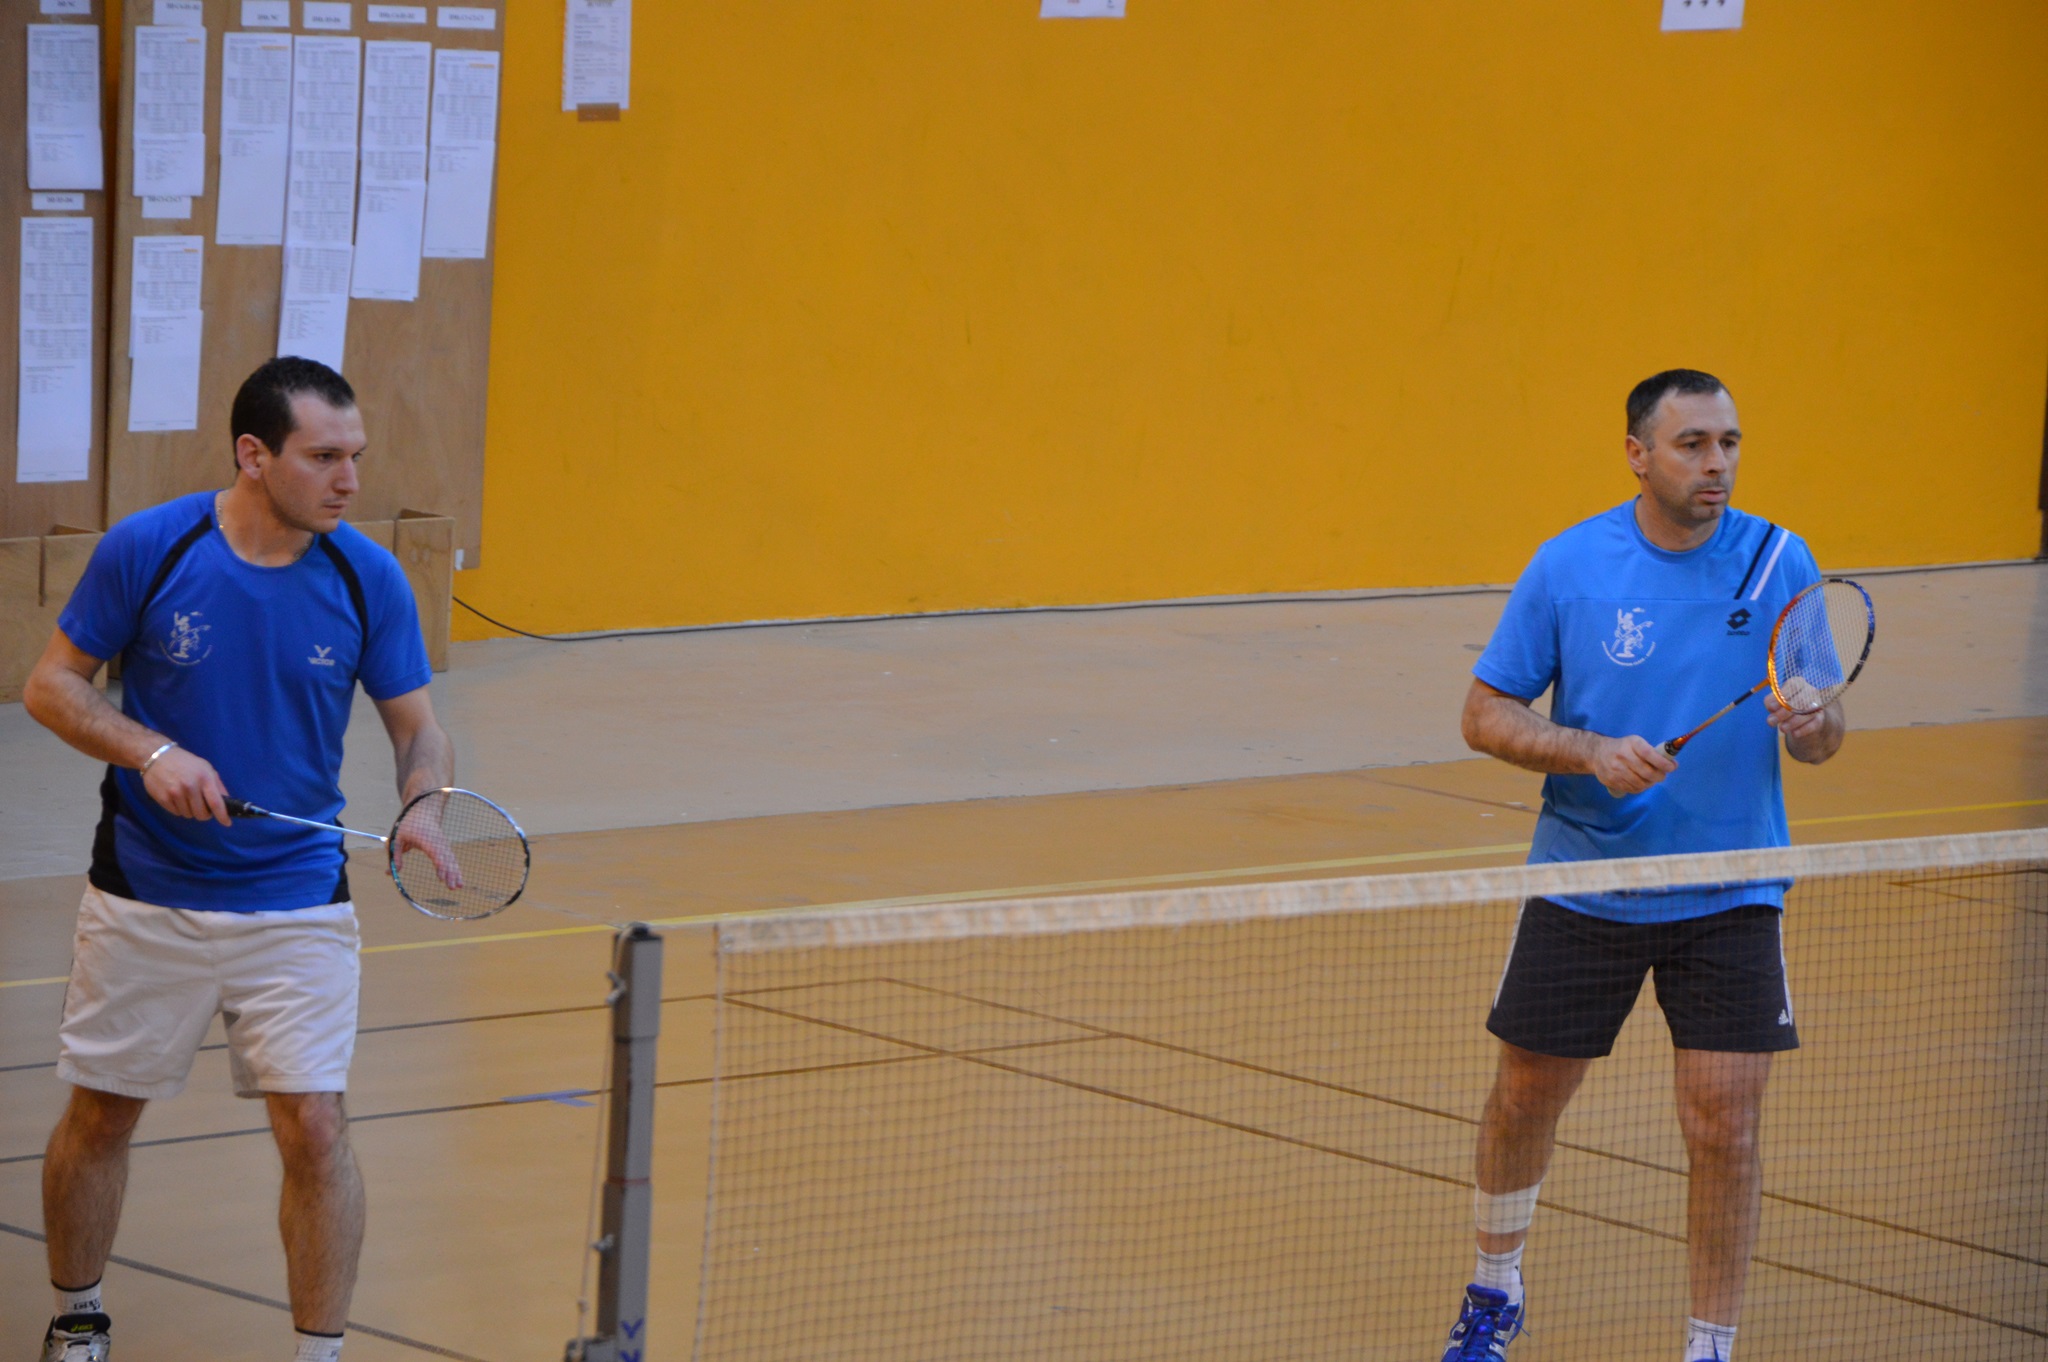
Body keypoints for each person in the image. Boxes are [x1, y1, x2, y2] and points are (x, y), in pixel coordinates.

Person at [22, 357, 455, 1362]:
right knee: (102, 1116)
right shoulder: (152, 548)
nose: (349, 479)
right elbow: (51, 687)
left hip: (297, 898)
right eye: (324, 456)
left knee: (315, 1127)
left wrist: (425, 803)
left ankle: (320, 1354)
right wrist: (151, 753)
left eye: (355, 455)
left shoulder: (367, 576)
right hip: (147, 892)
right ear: (253, 456)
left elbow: (418, 730)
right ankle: (78, 1320)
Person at [1437, 369, 1844, 1362]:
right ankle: (1494, 1289)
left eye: (1729, 443)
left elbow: (1824, 736)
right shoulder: (1570, 566)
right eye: (1692, 444)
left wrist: (1811, 721)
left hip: (1730, 887)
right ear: (1636, 454)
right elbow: (1483, 715)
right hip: (1586, 881)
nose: (1717, 464)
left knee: (1724, 1127)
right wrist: (1587, 751)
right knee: (1524, 1098)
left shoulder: (1778, 561)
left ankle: (1709, 1346)